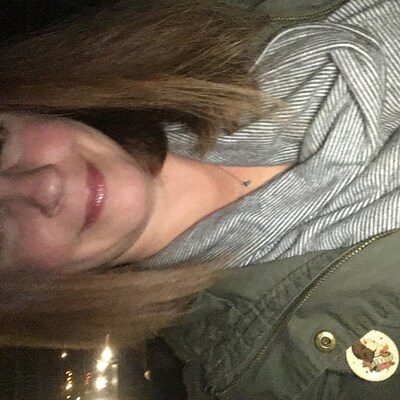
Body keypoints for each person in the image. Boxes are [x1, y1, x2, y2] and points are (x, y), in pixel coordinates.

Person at [0, 0, 399, 398]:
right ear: (24, 291)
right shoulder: (278, 384)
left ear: (21, 105)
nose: (43, 186)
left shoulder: (216, 24)